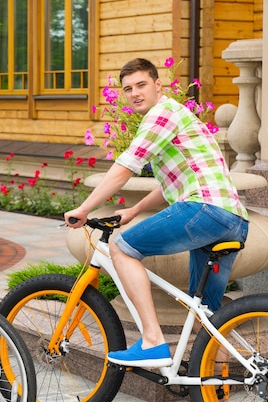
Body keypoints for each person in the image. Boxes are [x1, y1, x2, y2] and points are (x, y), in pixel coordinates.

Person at [64, 58, 248, 368]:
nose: (134, 93)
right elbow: (171, 184)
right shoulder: (178, 115)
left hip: (204, 209)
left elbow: (124, 169)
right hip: (233, 220)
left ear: (157, 86)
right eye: (127, 89)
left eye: (141, 85)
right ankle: (218, 383)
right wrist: (134, 210)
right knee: (206, 311)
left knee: (122, 249)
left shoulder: (161, 115)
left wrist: (83, 209)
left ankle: (152, 341)